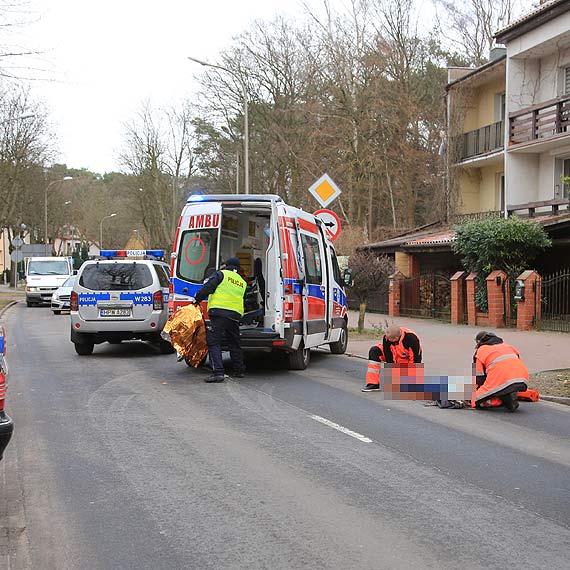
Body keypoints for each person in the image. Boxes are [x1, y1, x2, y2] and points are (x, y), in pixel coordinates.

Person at [194, 257, 247, 383]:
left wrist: (196, 299)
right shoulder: (242, 282)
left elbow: (208, 288)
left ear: (226, 265)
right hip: (235, 315)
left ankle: (218, 372)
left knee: (213, 341)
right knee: (234, 342)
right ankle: (239, 370)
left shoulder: (221, 274)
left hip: (219, 313)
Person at [472, 331, 528, 412]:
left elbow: (479, 376)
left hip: (502, 380)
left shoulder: (481, 351)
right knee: (501, 388)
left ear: (478, 342)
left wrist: (478, 390)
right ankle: (508, 394)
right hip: (522, 379)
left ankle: (502, 399)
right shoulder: (508, 346)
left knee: (475, 399)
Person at [361, 324, 422, 392]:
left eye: (388, 339)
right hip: (394, 355)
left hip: (405, 360)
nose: (386, 339)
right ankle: (373, 384)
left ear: (396, 338)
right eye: (386, 337)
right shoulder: (387, 337)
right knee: (374, 351)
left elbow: (415, 360)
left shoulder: (411, 338)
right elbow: (388, 356)